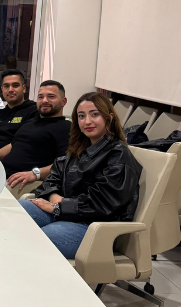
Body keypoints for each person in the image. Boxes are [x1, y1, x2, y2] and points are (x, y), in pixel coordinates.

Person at [19, 92, 142, 259]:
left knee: (39, 237)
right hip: (65, 214)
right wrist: (54, 197)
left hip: (94, 227)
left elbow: (102, 203)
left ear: (109, 118)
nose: (87, 121)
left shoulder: (118, 155)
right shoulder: (78, 149)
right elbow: (53, 177)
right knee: (19, 210)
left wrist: (59, 207)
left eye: (95, 114)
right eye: (81, 116)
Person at [0, 80, 71, 181]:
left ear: (63, 102)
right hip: (0, 175)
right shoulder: (30, 122)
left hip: (24, 183)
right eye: (40, 97)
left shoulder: (66, 128)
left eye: (51, 96)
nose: (44, 100)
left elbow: (67, 164)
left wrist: (35, 174)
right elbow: (13, 145)